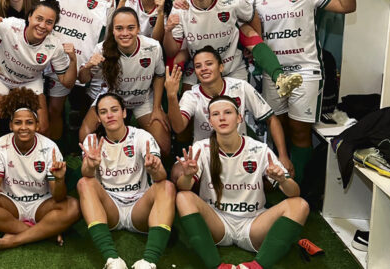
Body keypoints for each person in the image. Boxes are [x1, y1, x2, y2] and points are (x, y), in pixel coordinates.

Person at [253, 0, 356, 182]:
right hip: (273, 74)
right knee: (278, 129)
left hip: (306, 70)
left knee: (300, 131)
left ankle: (300, 186)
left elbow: (346, 6)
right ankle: (280, 180)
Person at [175, 95, 309, 269]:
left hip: (253, 224)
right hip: (218, 222)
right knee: (183, 197)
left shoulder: (259, 149)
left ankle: (255, 267)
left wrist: (282, 180)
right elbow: (183, 188)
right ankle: (217, 266)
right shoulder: (201, 148)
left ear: (239, 118)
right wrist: (186, 176)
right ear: (210, 121)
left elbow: (294, 193)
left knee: (300, 205)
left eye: (228, 112)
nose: (222, 118)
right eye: (216, 114)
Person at [0, 88, 80, 254]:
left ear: (37, 125)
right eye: (18, 123)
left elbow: (58, 197)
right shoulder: (0, 145)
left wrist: (59, 180)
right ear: (11, 125)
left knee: (73, 207)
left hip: (41, 204)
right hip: (10, 204)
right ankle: (43, 233)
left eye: (29, 122)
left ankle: (14, 240)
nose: (23, 127)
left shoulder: (49, 147)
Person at [164, 0, 301, 95]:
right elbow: (171, 52)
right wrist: (168, 30)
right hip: (200, 68)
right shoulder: (180, 9)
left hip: (231, 67)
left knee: (246, 29)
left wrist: (256, 47)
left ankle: (280, 78)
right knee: (188, 107)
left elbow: (252, 16)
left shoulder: (232, 2)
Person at [78, 93, 175, 269]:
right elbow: (86, 174)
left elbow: (161, 177)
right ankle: (112, 260)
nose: (109, 115)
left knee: (167, 187)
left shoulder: (141, 136)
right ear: (98, 118)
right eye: (104, 112)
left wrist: (155, 168)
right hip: (110, 209)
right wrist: (91, 165)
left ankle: (148, 262)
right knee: (84, 183)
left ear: (124, 112)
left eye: (114, 110)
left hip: (139, 208)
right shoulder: (92, 140)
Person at [165, 47, 293, 175]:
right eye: (198, 66)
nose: (203, 68)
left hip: (240, 153)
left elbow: (271, 119)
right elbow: (178, 127)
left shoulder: (240, 87)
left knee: (284, 174)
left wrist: (283, 156)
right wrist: (171, 96)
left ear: (221, 67)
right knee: (178, 173)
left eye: (209, 64)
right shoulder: (191, 95)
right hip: (206, 155)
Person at [0, 0, 77, 145]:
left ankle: (28, 160)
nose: (42, 25)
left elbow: (67, 83)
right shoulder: (11, 26)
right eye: (39, 19)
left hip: (29, 82)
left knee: (42, 129)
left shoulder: (55, 45)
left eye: (49, 22)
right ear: (29, 17)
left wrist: (73, 60)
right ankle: (5, 158)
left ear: (54, 25)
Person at [78, 8, 169, 157]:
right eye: (119, 28)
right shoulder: (102, 49)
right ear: (112, 30)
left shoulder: (153, 47)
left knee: (163, 147)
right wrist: (88, 66)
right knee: (86, 137)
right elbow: (83, 79)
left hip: (142, 100)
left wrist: (157, 107)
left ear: (138, 29)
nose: (125, 33)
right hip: (111, 100)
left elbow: (159, 75)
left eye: (130, 28)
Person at [41, 0, 115, 140]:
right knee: (55, 108)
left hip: (89, 65)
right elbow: (41, 12)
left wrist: (112, 2)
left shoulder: (105, 1)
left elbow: (111, 33)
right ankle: (57, 147)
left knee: (84, 109)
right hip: (58, 61)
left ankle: (81, 145)